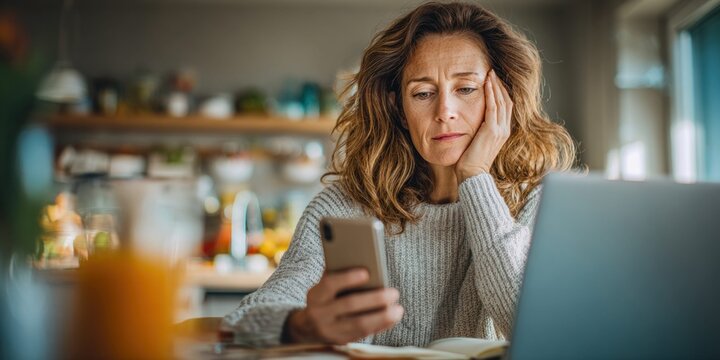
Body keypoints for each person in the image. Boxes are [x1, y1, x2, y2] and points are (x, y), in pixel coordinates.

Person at [222, 1, 576, 347]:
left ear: (503, 98)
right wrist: (302, 325)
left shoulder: (539, 204)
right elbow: (244, 322)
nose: (445, 111)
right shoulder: (343, 206)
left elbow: (535, 332)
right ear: (400, 110)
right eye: (422, 93)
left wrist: (475, 177)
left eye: (466, 89)